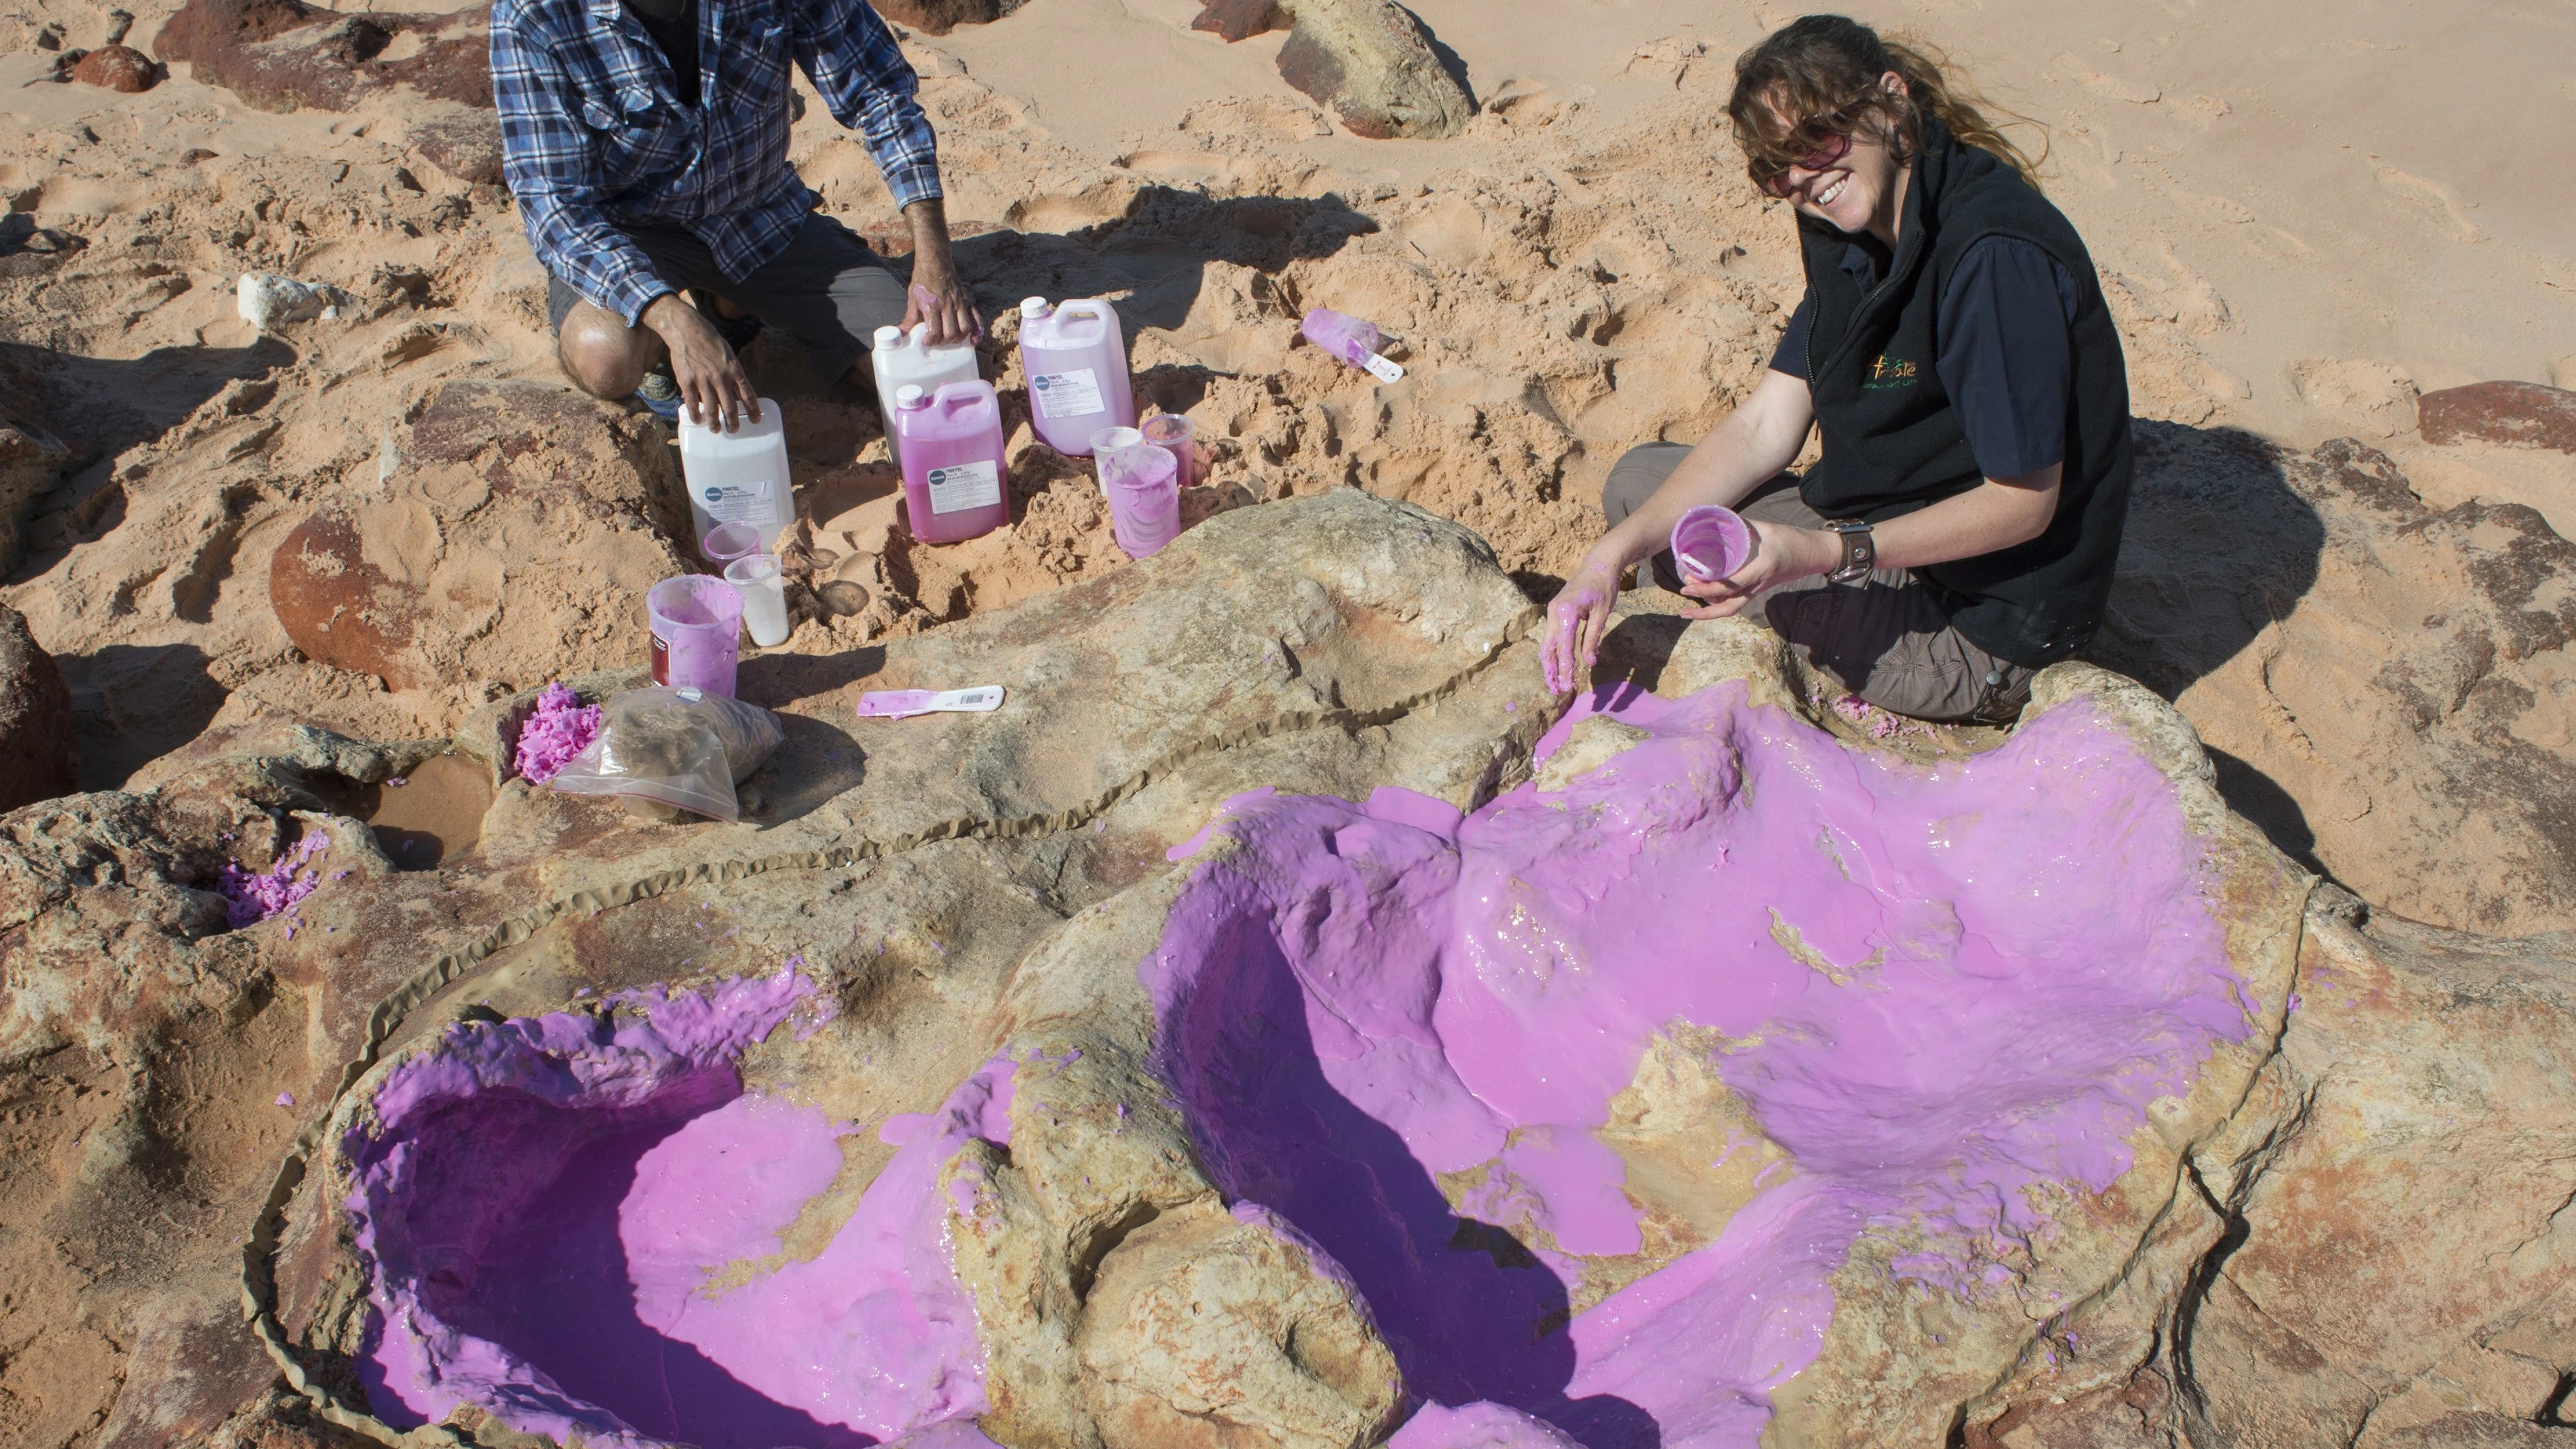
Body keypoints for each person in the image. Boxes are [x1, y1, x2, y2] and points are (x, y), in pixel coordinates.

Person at [1542, 14, 2133, 724]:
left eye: (1815, 140)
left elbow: (2023, 502)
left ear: (1892, 99)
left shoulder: (1992, 259)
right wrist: (1606, 561)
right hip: (1885, 532)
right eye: (1774, 167)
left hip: (1980, 633)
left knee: (1711, 547)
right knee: (1641, 489)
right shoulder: (1850, 227)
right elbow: (1765, 425)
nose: (1799, 178)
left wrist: (1816, 552)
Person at [491, 0, 982, 429]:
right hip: (630, 234)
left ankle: (727, 309)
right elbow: (555, 206)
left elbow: (879, 93)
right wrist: (667, 315)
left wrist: (935, 255)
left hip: (759, 217)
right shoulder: (535, 13)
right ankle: (676, 334)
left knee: (919, 363)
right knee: (606, 357)